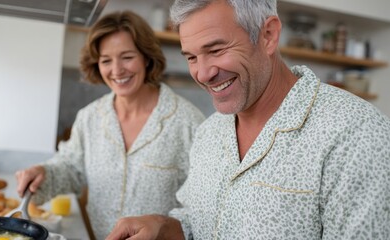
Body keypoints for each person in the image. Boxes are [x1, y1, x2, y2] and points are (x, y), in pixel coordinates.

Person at [106, 0, 390, 239]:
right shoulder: (209, 132)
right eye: (192, 57)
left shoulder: (357, 134)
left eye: (216, 50)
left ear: (267, 35)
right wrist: (164, 227)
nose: (203, 74)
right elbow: (199, 223)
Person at [15, 10, 205, 239]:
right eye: (106, 60)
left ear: (146, 57)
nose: (116, 70)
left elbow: (203, 206)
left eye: (127, 57)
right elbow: (71, 168)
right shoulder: (90, 118)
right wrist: (44, 173)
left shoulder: (189, 123)